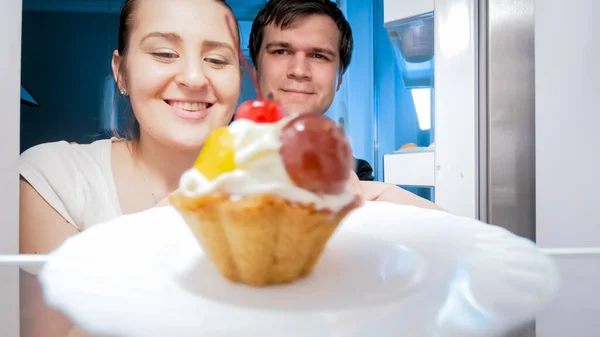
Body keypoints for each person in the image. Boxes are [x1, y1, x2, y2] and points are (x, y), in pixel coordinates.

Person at [19, 1, 242, 336]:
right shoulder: (55, 179)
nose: (195, 77)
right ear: (121, 72)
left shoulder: (276, 195)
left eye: (217, 60)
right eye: (165, 53)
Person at [249, 0, 440, 210]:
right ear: (257, 66)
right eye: (281, 51)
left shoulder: (356, 177)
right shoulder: (212, 158)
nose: (299, 70)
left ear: (340, 78)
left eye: (318, 55)